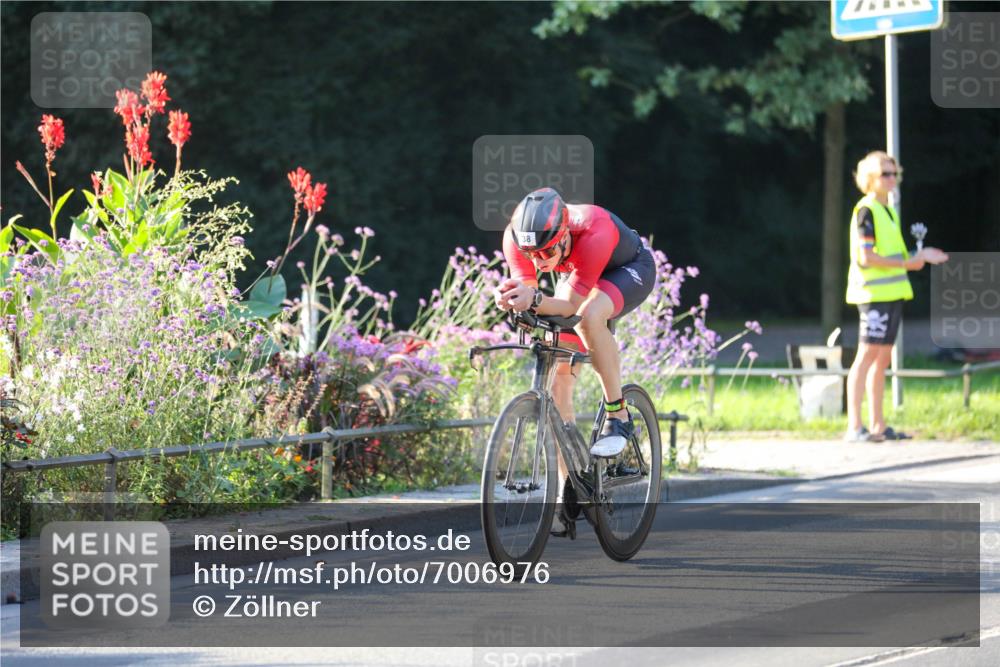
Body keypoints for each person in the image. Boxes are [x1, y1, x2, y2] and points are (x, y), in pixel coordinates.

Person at [493, 187, 656, 528]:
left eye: (547, 251)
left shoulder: (594, 231)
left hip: (626, 269)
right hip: (581, 275)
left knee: (590, 316)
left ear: (564, 234)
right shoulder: (516, 237)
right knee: (558, 386)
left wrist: (533, 298)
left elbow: (567, 305)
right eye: (531, 253)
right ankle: (569, 486)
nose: (539, 261)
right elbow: (529, 286)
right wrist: (513, 297)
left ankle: (619, 413)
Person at [845, 151, 948, 442]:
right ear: (870, 179)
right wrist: (909, 262)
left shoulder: (887, 210)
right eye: (885, 174)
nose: (892, 179)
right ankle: (855, 427)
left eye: (894, 173)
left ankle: (878, 425)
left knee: (883, 359)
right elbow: (867, 257)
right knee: (866, 357)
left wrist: (920, 256)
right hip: (874, 296)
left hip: (891, 295)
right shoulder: (866, 211)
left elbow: (896, 255)